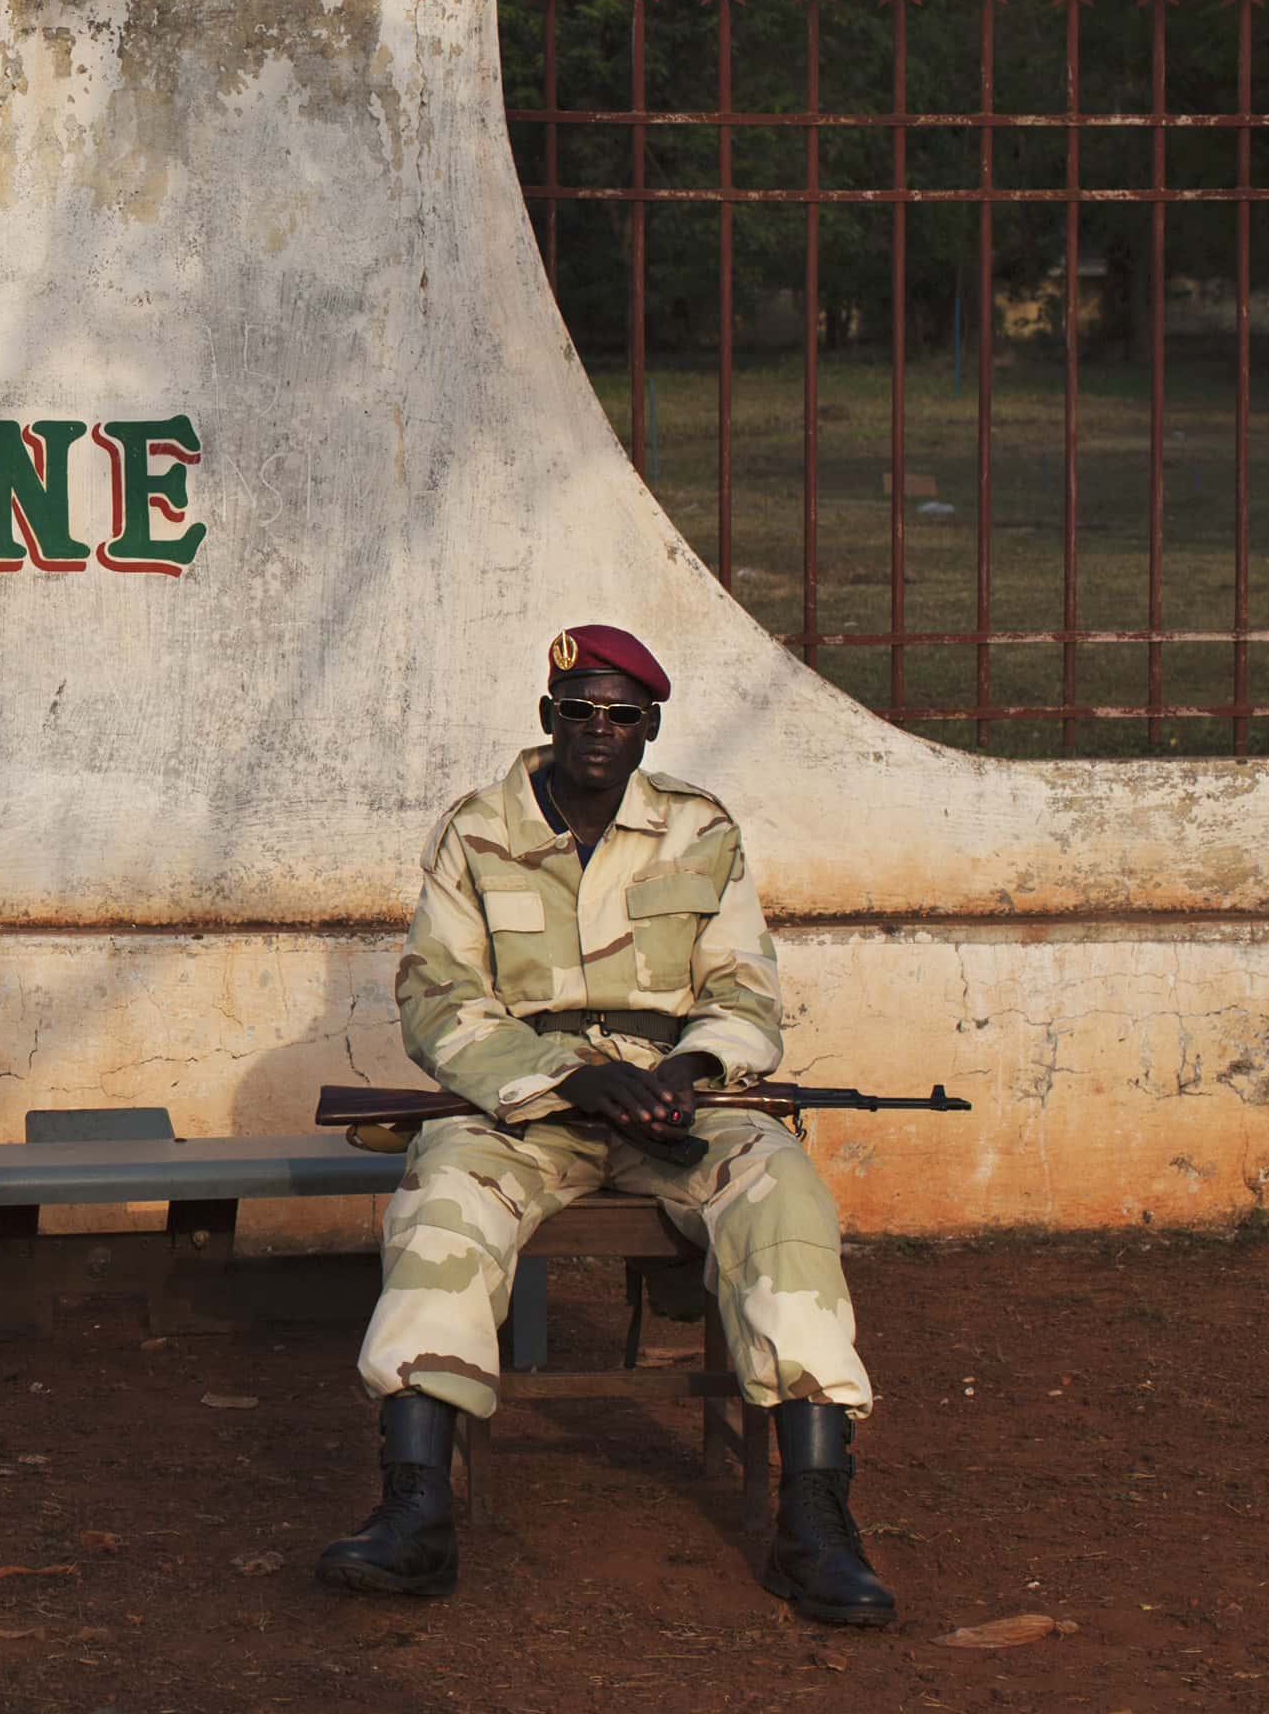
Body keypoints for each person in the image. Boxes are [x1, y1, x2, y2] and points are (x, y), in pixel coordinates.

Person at [315, 624, 894, 1627]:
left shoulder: (698, 828)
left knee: (783, 1190)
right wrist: (564, 1077)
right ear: (547, 717)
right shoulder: (474, 831)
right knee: (440, 1200)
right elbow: (436, 997)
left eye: (620, 713)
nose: (597, 728)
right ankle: (413, 1510)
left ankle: (814, 1519)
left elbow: (745, 989)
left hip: (680, 1101)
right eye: (576, 708)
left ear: (648, 727)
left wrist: (685, 1067)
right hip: (526, 1105)